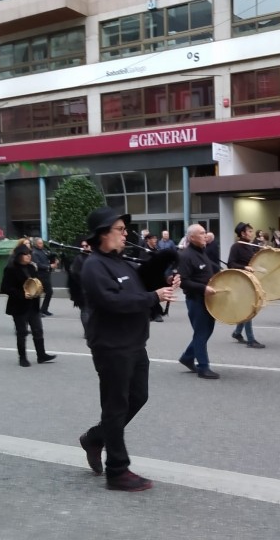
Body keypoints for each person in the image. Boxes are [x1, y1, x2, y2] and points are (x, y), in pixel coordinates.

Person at [78, 207, 175, 492]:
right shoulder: (94, 266)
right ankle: (117, 471)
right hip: (111, 346)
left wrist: (165, 284)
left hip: (134, 343)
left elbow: (140, 291)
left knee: (138, 397)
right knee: (115, 406)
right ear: (102, 234)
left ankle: (95, 438)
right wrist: (153, 296)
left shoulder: (122, 263)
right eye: (120, 229)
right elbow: (112, 302)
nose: (125, 234)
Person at [1, 245, 57, 367]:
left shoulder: (31, 267)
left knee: (38, 330)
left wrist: (39, 288)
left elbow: (36, 282)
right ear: (19, 256)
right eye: (26, 254)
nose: (29, 256)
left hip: (33, 304)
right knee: (22, 332)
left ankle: (41, 355)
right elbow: (4, 288)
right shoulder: (11, 269)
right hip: (19, 305)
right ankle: (22, 358)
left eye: (29, 254)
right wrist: (22, 294)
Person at [178, 224, 221, 379]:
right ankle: (203, 367)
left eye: (205, 233)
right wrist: (203, 288)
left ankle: (187, 357)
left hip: (207, 299)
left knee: (206, 331)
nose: (205, 235)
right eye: (202, 233)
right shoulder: (185, 256)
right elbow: (183, 282)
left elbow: (211, 269)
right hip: (196, 300)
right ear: (191, 237)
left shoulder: (202, 252)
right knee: (201, 333)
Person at [227, 222, 265, 349]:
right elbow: (230, 264)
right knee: (249, 309)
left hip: (250, 281)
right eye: (249, 231)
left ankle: (237, 333)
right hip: (241, 282)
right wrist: (244, 267)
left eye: (251, 231)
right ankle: (251, 340)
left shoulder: (250, 246)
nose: (251, 233)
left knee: (247, 309)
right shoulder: (236, 247)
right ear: (242, 234)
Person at [68, 239, 91, 336]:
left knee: (90, 311)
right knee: (85, 310)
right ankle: (87, 332)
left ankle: (91, 331)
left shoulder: (93, 257)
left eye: (86, 245)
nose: (84, 247)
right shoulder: (79, 258)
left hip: (91, 289)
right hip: (82, 289)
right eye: (83, 246)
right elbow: (75, 273)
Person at [142, 234, 165, 323]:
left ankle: (155, 313)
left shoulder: (157, 250)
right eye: (153, 239)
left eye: (156, 238)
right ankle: (155, 314)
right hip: (148, 277)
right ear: (148, 240)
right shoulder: (144, 251)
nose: (155, 240)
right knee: (152, 294)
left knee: (155, 294)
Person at [32, 238, 56, 317]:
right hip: (40, 275)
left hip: (46, 274)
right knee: (38, 294)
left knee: (49, 292)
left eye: (42, 243)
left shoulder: (42, 250)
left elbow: (47, 258)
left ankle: (44, 309)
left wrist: (53, 258)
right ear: (35, 244)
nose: (41, 245)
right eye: (40, 243)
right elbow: (38, 264)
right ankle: (37, 311)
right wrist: (49, 266)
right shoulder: (34, 252)